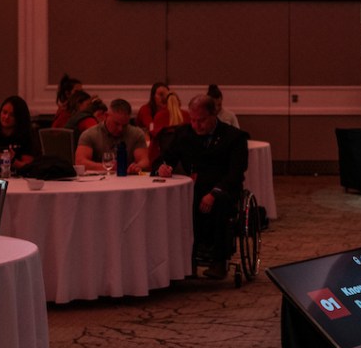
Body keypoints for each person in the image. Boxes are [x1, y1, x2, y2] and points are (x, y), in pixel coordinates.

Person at [157, 94, 249, 280]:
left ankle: (218, 260)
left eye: (201, 121)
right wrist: (163, 168)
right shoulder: (184, 134)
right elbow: (166, 159)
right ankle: (185, 259)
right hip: (194, 188)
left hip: (223, 188)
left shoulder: (234, 137)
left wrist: (214, 193)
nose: (196, 125)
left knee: (219, 203)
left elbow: (236, 173)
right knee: (176, 203)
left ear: (214, 115)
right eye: (193, 120)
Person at [75, 98, 151, 174]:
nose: (120, 129)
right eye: (116, 124)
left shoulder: (136, 134)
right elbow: (80, 162)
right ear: (106, 116)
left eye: (124, 125)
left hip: (127, 180)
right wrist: (108, 167)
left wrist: (137, 166)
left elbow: (144, 160)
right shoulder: (90, 134)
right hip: (98, 183)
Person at [0, 95, 39, 174]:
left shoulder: (25, 137)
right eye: (4, 112)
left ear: (19, 118)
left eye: (12, 115)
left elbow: (29, 166)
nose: (6, 117)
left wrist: (12, 160)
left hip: (18, 180)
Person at [149, 92, 189, 164]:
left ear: (164, 104)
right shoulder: (187, 115)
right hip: (185, 160)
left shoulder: (159, 116)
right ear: (179, 102)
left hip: (165, 161)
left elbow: (154, 143)